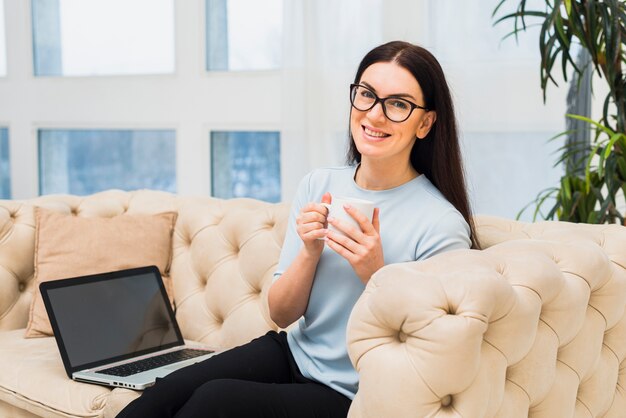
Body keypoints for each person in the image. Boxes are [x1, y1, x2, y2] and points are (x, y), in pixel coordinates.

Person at [116, 40, 477, 418]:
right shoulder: (318, 184)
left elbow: (433, 352)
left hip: (355, 392)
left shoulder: (441, 224)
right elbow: (282, 314)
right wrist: (309, 251)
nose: (375, 114)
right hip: (294, 353)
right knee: (165, 393)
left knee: (216, 401)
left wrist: (377, 274)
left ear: (425, 123)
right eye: (366, 95)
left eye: (398, 104)